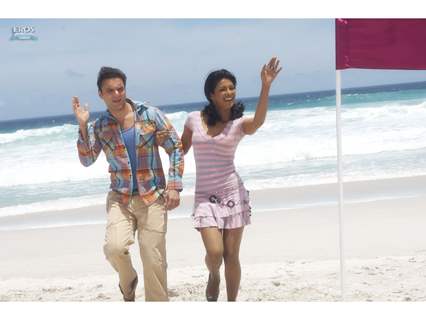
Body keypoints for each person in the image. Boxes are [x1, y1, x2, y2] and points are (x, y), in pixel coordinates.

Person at [72, 66, 184, 302]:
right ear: (101, 94)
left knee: (153, 259)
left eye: (120, 88)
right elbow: (87, 159)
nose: (117, 94)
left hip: (153, 196)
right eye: (110, 90)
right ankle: (129, 280)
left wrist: (174, 186)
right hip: (120, 198)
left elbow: (175, 147)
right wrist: (83, 126)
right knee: (114, 248)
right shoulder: (101, 125)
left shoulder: (150, 114)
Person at [181, 57, 281, 301]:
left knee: (232, 255)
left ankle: (231, 304)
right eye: (222, 89)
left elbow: (258, 122)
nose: (228, 92)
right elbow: (179, 150)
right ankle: (213, 275)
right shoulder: (194, 119)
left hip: (232, 194)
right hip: (205, 196)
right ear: (211, 95)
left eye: (231, 88)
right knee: (215, 253)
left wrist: (266, 86)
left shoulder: (238, 124)